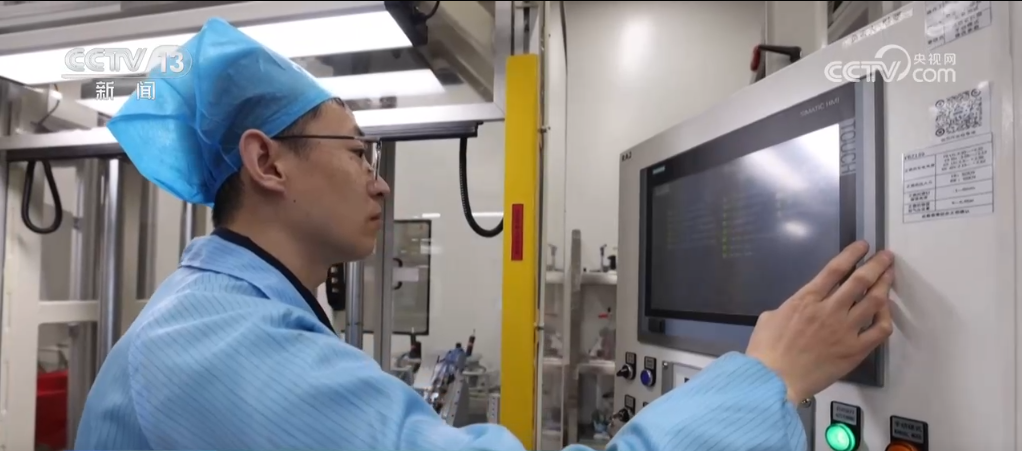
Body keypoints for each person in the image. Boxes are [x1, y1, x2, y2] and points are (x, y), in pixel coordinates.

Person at [75, 17, 895, 451]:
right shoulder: (222, 349)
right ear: (267, 162)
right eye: (357, 152)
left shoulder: (235, 319)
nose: (379, 180)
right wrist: (767, 378)